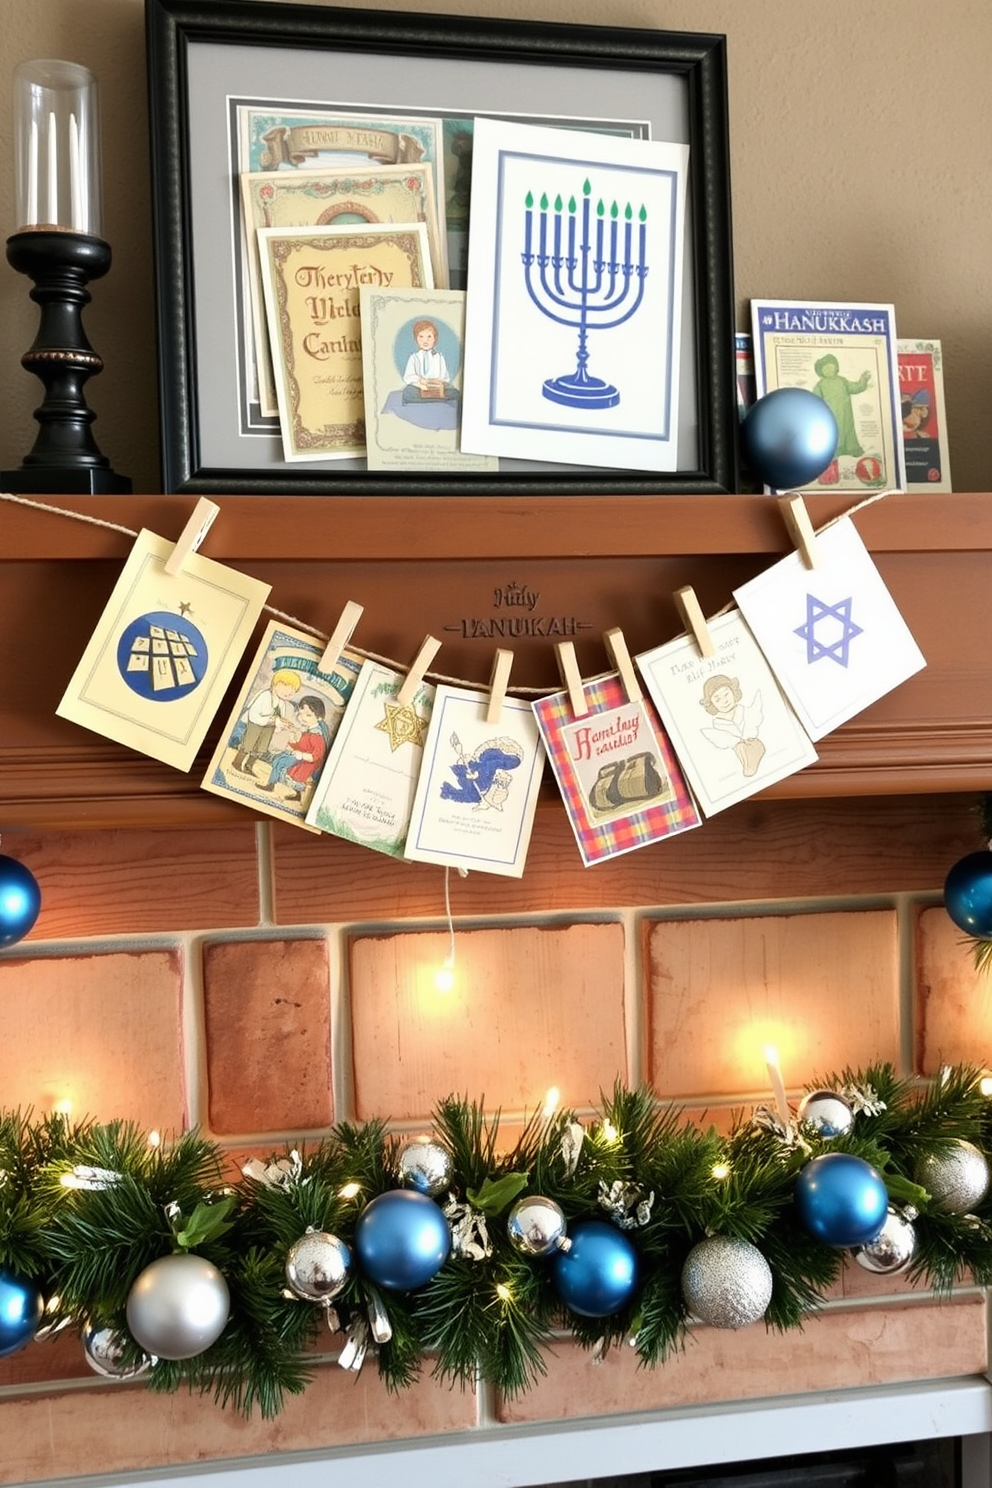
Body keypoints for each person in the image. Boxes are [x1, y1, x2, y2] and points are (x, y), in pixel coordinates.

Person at [258, 695, 331, 802]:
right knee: (279, 758)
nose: (303, 718)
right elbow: (303, 746)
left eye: (308, 715)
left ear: (319, 718)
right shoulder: (309, 731)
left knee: (281, 761)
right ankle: (287, 790)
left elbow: (317, 755)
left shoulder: (316, 735)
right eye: (301, 714)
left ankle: (271, 785)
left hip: (306, 761)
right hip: (300, 756)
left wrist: (301, 755)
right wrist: (293, 744)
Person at [231, 669, 301, 777]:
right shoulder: (264, 696)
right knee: (249, 744)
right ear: (276, 684)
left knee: (261, 747)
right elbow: (254, 715)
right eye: (287, 687)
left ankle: (249, 765)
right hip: (255, 724)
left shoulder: (282, 703)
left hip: (269, 728)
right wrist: (272, 720)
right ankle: (237, 762)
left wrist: (282, 723)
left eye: (294, 690)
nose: (290, 692)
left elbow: (280, 716)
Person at [812, 354, 872, 477]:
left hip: (846, 414)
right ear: (821, 371)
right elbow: (814, 399)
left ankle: (852, 448)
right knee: (833, 433)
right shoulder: (821, 384)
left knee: (848, 431)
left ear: (836, 368)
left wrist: (863, 381)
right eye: (826, 368)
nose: (829, 369)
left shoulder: (842, 381)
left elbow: (856, 387)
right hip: (831, 415)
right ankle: (834, 452)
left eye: (832, 366)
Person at [699, 673, 766, 778]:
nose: (724, 701)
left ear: (733, 692)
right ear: (711, 704)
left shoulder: (746, 712)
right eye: (717, 699)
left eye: (726, 694)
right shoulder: (718, 725)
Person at [402, 319, 455, 401]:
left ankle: (433, 398)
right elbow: (408, 377)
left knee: (454, 393)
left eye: (429, 337)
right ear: (416, 339)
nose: (425, 341)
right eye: (421, 337)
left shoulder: (439, 357)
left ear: (435, 339)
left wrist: (435, 383)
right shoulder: (414, 357)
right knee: (408, 392)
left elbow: (445, 377)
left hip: (435, 388)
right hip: (419, 387)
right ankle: (428, 400)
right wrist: (420, 381)